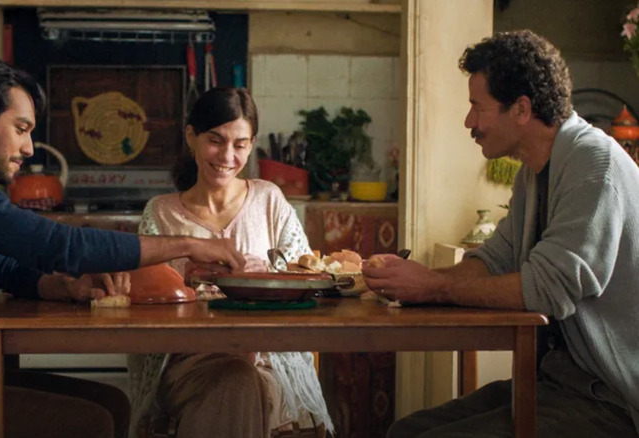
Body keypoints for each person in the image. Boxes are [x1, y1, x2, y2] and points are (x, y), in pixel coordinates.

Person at [0, 56, 245, 438]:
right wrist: (190, 244)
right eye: (21, 129)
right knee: (91, 422)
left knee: (113, 404)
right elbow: (61, 245)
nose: (29, 148)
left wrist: (65, 287)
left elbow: (6, 266)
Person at [362, 30, 639, 438]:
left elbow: (548, 290)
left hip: (611, 398)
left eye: (478, 107)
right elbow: (495, 261)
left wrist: (434, 288)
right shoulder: (534, 172)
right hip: (557, 384)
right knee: (404, 431)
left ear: (522, 109)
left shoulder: (594, 164)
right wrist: (413, 280)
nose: (469, 122)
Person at [127, 87, 333, 438]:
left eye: (240, 144)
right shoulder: (160, 213)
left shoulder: (270, 200)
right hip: (190, 361)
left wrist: (266, 276)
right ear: (191, 137)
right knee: (235, 381)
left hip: (272, 360)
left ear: (252, 145)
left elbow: (308, 276)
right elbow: (140, 302)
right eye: (215, 140)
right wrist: (183, 281)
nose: (227, 155)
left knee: (243, 381)